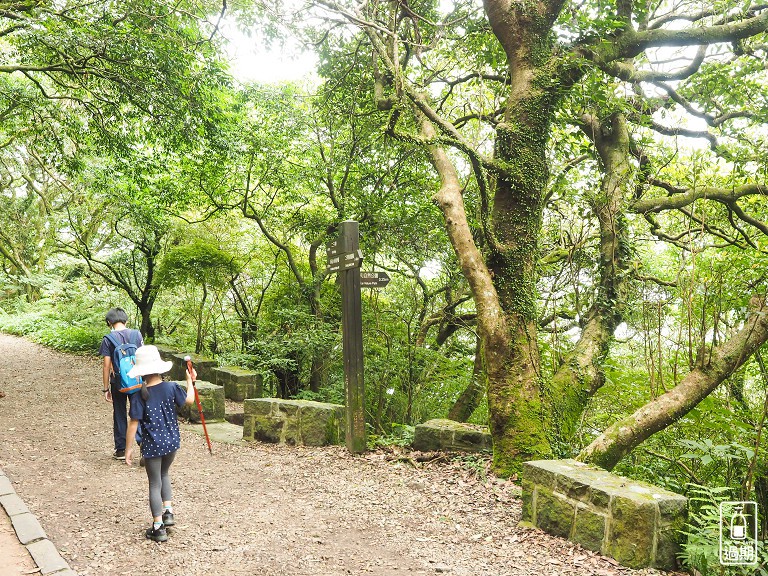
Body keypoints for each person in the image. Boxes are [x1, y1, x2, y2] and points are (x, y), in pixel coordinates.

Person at [124, 345, 195, 542]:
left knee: (154, 482)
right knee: (165, 474)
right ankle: (168, 511)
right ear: (158, 367)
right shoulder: (172, 388)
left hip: (152, 446)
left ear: (141, 372)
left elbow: (133, 424)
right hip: (172, 442)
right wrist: (190, 382)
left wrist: (128, 448)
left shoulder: (139, 395)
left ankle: (158, 527)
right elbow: (189, 401)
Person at [99, 307, 144, 460]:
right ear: (126, 320)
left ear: (109, 322)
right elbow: (142, 357)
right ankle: (143, 443)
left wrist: (105, 389)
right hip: (137, 379)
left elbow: (106, 365)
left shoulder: (108, 339)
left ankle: (120, 449)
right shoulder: (136, 334)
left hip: (117, 382)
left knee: (119, 412)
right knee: (139, 412)